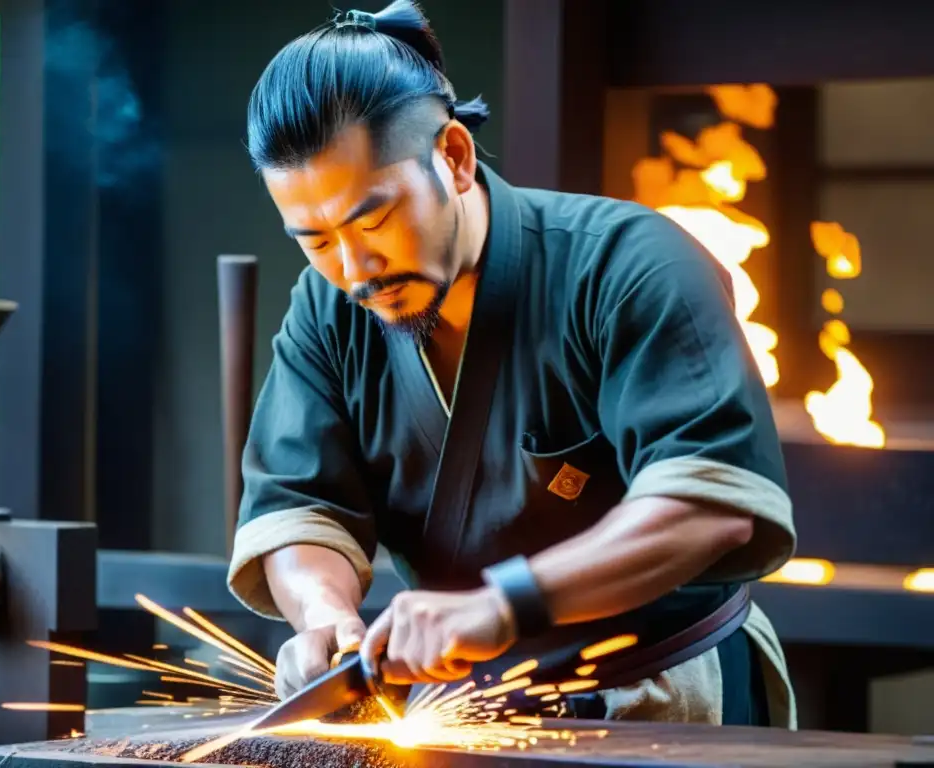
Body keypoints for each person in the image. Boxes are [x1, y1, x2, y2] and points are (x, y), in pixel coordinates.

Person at [226, 0, 797, 728]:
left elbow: (710, 505)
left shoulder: (631, 264)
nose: (354, 267)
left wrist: (504, 605)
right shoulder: (328, 307)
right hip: (459, 709)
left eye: (373, 219)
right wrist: (324, 619)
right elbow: (299, 507)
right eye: (315, 239)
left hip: (666, 695)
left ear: (455, 158)